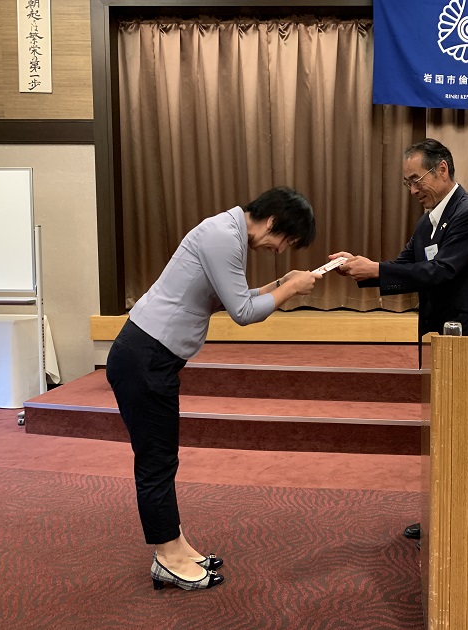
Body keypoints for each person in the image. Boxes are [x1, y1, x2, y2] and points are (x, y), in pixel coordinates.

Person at [106, 186, 321, 591]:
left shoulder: (228, 231)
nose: (279, 250)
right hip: (144, 358)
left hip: (152, 357)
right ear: (272, 221)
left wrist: (281, 282)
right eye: (285, 241)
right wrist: (290, 288)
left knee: (163, 458)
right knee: (156, 461)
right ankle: (167, 557)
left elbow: (232, 298)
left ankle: (176, 546)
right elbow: (243, 312)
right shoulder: (223, 236)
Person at [330, 138, 468, 543]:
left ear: (442, 169)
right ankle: (442, 514)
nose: (412, 191)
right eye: (406, 183)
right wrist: (361, 268)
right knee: (443, 431)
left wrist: (376, 269)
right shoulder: (428, 221)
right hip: (438, 339)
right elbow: (406, 266)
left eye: (416, 180)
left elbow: (441, 271)